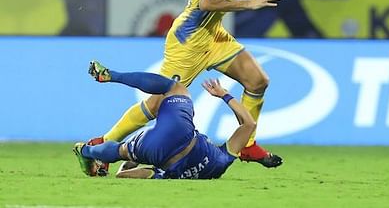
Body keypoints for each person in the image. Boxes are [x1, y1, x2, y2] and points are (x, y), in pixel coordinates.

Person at [89, 0, 283, 171]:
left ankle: (246, 145)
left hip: (213, 36)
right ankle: (103, 145)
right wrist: (249, 3)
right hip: (189, 41)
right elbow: (207, 1)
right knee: (157, 104)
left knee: (258, 80)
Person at [74, 60, 263, 179]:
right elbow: (145, 174)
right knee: (121, 150)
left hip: (180, 130)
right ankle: (86, 150)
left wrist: (224, 95)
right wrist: (128, 166)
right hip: (158, 153)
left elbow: (249, 124)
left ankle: (113, 76)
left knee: (175, 88)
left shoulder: (221, 160)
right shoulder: (195, 173)